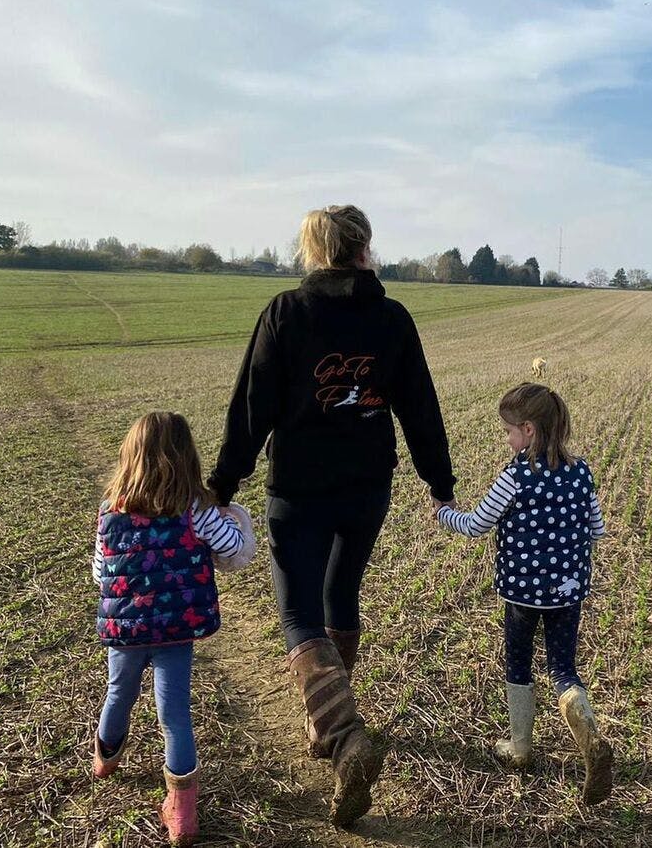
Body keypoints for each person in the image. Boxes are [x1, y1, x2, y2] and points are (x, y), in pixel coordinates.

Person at [207, 204, 456, 827]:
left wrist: (223, 482)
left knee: (298, 613)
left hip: (300, 487)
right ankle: (328, 728)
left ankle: (342, 734)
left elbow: (251, 407)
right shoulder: (392, 319)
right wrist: (439, 483)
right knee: (342, 595)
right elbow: (420, 407)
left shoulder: (288, 313)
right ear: (364, 249)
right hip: (368, 485)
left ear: (312, 251)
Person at [435, 383, 613, 805]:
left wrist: (443, 513)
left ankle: (520, 748)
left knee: (518, 664)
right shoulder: (581, 471)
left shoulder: (515, 475)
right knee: (563, 670)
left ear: (529, 430)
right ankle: (587, 729)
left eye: (509, 431)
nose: (508, 438)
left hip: (522, 593)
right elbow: (598, 530)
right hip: (569, 590)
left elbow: (478, 524)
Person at [91, 411, 255, 847]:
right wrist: (234, 513)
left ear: (131, 455)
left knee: (118, 693)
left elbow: (100, 572)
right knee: (175, 716)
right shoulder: (195, 509)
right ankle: (182, 816)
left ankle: (105, 760)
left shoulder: (111, 508)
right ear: (187, 459)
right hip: (174, 632)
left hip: (125, 633)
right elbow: (236, 548)